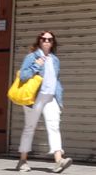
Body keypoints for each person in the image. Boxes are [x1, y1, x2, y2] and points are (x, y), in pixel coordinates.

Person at [16, 32, 71, 173]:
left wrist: (59, 98)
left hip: (51, 97)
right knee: (30, 127)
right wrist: (36, 65)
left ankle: (59, 160)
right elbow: (23, 76)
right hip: (35, 97)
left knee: (54, 126)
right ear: (39, 41)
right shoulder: (32, 57)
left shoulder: (55, 60)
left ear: (53, 43)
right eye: (44, 39)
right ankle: (22, 161)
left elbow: (56, 80)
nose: (46, 41)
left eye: (49, 39)